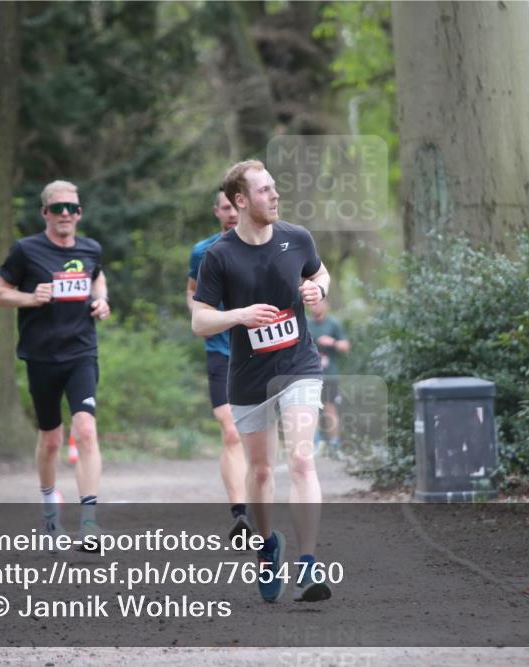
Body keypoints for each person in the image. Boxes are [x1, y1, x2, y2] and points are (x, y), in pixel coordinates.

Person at [192, 160, 332, 603]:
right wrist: (239, 315)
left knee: (303, 461)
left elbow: (321, 273)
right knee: (261, 469)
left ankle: (308, 564)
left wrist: (319, 291)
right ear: (240, 201)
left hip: (298, 366)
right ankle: (268, 545)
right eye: (264, 190)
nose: (274, 195)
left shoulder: (297, 238)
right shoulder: (219, 255)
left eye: (274, 188)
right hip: (249, 377)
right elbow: (200, 321)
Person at [0, 180, 110, 548]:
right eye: (57, 208)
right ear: (45, 213)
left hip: (81, 353)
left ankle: (89, 522)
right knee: (51, 439)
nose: (65, 215)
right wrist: (30, 297)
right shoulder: (26, 250)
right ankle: (48, 508)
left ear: (79, 213)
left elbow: (97, 277)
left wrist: (102, 301)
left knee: (85, 430)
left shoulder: (91, 249)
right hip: (41, 356)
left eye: (71, 208)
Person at [186, 188, 252, 541]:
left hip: (259, 352)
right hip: (222, 351)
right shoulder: (203, 251)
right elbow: (193, 289)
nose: (230, 213)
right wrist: (200, 316)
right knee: (229, 429)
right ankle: (240, 514)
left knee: (254, 434)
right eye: (224, 208)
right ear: (217, 211)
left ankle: (259, 501)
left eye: (234, 206)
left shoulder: (266, 244)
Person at [307, 299, 351, 458]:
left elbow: (345, 347)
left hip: (330, 374)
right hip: (310, 375)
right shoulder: (305, 324)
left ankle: (335, 445)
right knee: (311, 410)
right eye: (312, 303)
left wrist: (331, 342)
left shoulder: (333, 324)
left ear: (326, 305)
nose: (315, 306)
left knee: (330, 409)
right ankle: (315, 445)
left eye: (319, 303)